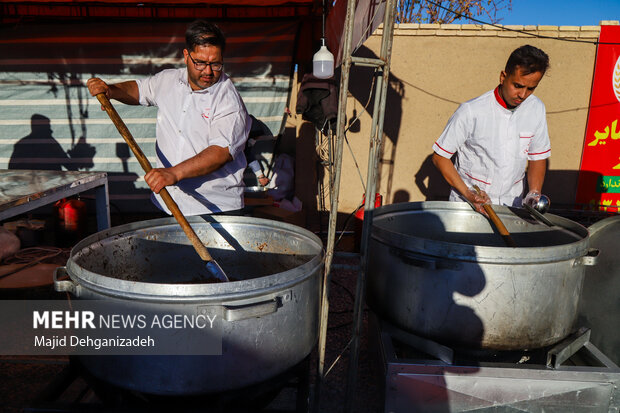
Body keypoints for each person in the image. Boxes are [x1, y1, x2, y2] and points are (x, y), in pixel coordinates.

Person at [87, 20, 250, 216]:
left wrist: (173, 173)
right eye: (200, 63)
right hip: (167, 202)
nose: (208, 71)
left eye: (215, 64)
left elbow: (220, 153)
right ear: (186, 55)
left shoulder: (229, 101)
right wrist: (111, 90)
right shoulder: (168, 80)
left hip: (215, 209)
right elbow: (139, 89)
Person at [432, 45, 551, 215]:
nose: (523, 95)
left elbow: (537, 156)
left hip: (512, 206)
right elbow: (440, 157)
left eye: (531, 88)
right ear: (503, 77)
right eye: (517, 85)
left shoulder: (536, 108)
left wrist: (534, 192)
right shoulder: (471, 111)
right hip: (469, 207)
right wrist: (467, 193)